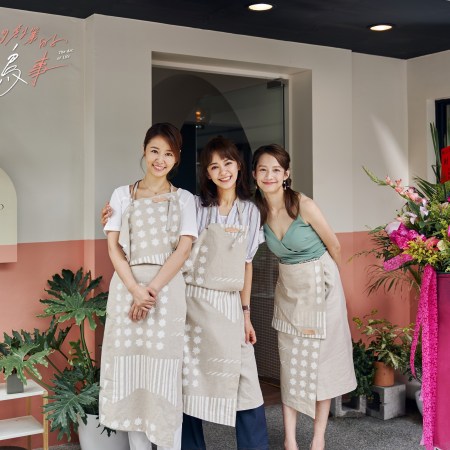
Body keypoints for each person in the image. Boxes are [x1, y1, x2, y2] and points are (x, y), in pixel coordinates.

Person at [99, 123, 198, 450]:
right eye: (155, 151)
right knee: (132, 373)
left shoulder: (185, 199)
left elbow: (183, 249)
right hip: (127, 290)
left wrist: (150, 290)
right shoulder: (121, 195)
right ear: (144, 151)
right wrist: (135, 290)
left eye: (168, 154)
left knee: (164, 373)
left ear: (177, 158)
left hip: (165, 294)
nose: (160, 159)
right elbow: (114, 247)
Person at [252, 144, 356, 450]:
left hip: (322, 285)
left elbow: (334, 246)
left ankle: (318, 438)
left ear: (286, 174)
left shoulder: (304, 205)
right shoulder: (256, 210)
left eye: (276, 170)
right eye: (263, 169)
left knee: (322, 365)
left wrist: (334, 290)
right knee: (291, 365)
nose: (269, 175)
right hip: (289, 289)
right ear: (254, 174)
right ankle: (290, 440)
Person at [180, 136, 269, 450]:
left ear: (239, 166)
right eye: (214, 166)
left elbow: (247, 264)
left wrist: (246, 314)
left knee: (246, 380)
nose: (223, 171)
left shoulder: (251, 211)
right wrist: (116, 212)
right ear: (206, 172)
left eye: (228, 163)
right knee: (190, 381)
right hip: (193, 303)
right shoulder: (195, 206)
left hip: (230, 304)